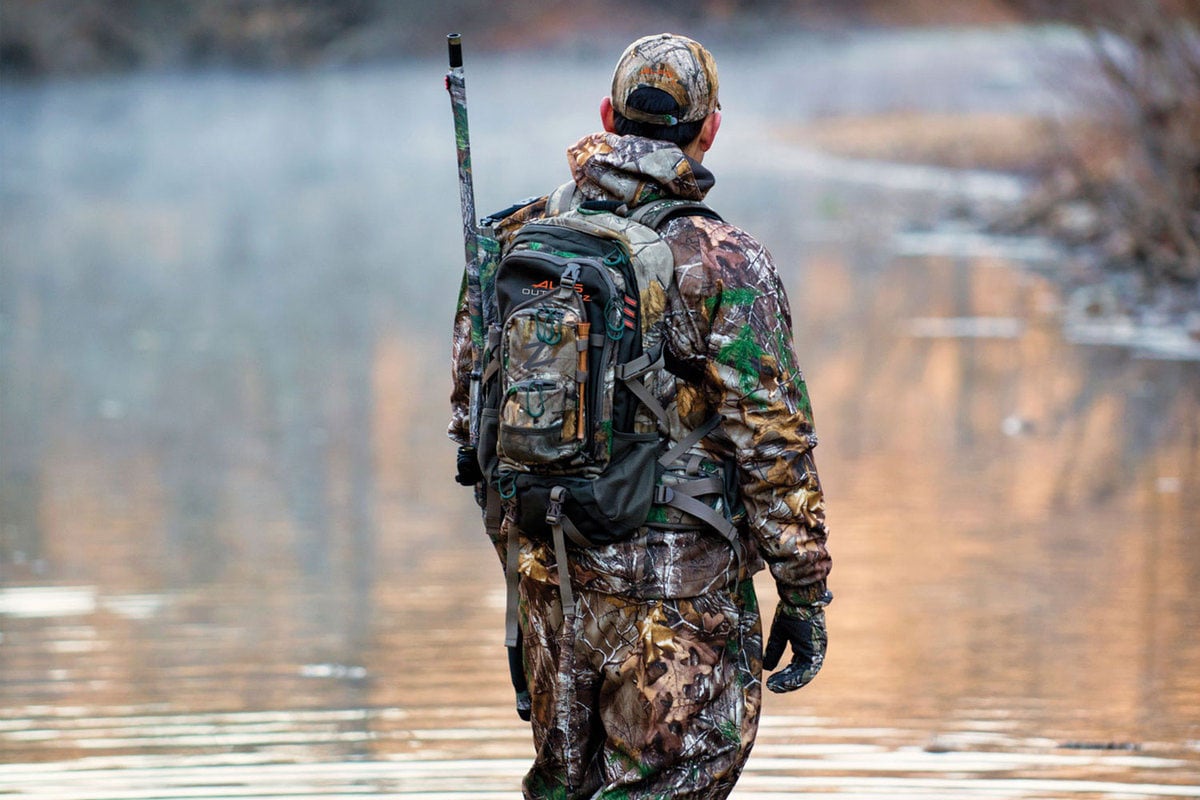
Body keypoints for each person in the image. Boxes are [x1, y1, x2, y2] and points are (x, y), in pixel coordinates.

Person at [448, 32, 832, 800]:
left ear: (607, 116)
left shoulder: (509, 238)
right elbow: (775, 444)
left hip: (548, 582)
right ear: (709, 129)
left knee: (566, 789)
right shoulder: (725, 262)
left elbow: (472, 423)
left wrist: (522, 584)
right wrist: (803, 591)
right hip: (676, 598)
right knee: (675, 784)